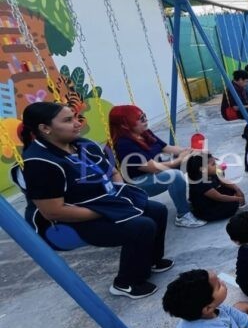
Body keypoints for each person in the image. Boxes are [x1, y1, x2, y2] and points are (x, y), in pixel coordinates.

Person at [19, 102, 173, 299]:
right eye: (68, 120)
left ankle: (151, 260)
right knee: (141, 226)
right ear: (45, 128)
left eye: (76, 117)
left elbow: (113, 172)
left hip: (103, 201)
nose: (77, 123)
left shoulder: (83, 145)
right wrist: (106, 211)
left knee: (157, 210)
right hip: (70, 220)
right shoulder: (39, 163)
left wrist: (119, 194)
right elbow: (53, 211)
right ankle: (125, 282)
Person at [109, 104, 207, 228]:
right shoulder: (124, 144)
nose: (145, 120)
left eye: (144, 116)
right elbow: (153, 167)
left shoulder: (144, 133)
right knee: (174, 175)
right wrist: (180, 159)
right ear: (124, 125)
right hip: (136, 183)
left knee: (194, 160)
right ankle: (183, 216)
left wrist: (193, 152)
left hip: (153, 172)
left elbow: (166, 148)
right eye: (140, 118)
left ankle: (197, 199)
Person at [187, 153, 248, 222]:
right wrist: (237, 199)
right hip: (206, 211)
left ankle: (237, 205)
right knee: (232, 203)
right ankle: (237, 210)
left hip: (211, 200)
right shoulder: (201, 183)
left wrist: (237, 189)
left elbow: (223, 181)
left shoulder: (210, 173)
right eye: (213, 164)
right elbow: (219, 197)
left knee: (230, 189)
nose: (217, 166)